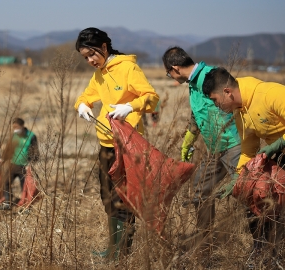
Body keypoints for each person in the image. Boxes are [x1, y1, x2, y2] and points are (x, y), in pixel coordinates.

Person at [74, 27, 159, 258]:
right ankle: (114, 248)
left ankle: (121, 252)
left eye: (92, 54)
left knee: (122, 197)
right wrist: (82, 105)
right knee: (107, 195)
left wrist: (130, 106)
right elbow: (86, 96)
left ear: (104, 47)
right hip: (106, 143)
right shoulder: (99, 73)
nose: (90, 60)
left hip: (127, 144)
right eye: (85, 58)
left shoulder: (128, 68)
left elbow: (151, 97)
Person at [202, 67, 285, 265]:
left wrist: (278, 144)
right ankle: (261, 252)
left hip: (280, 149)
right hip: (278, 154)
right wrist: (239, 178)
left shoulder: (270, 94)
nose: (216, 105)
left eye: (215, 100)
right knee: (253, 194)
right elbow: (248, 149)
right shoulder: (240, 111)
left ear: (227, 92)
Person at [162, 47, 241, 251]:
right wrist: (190, 137)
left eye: (168, 72)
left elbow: (237, 102)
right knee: (199, 188)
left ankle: (261, 243)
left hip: (235, 143)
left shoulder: (212, 77)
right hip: (215, 148)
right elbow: (197, 113)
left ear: (174, 68)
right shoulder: (192, 84)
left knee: (246, 190)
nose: (169, 76)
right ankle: (206, 239)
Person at [0, 117, 39, 210]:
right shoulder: (13, 136)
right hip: (13, 164)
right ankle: (7, 202)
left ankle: (25, 203)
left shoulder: (31, 136)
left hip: (24, 166)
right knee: (6, 182)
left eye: (17, 127)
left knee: (24, 185)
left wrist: (30, 163)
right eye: (14, 127)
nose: (15, 129)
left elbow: (35, 152)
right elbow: (9, 149)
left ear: (22, 126)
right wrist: (3, 158)